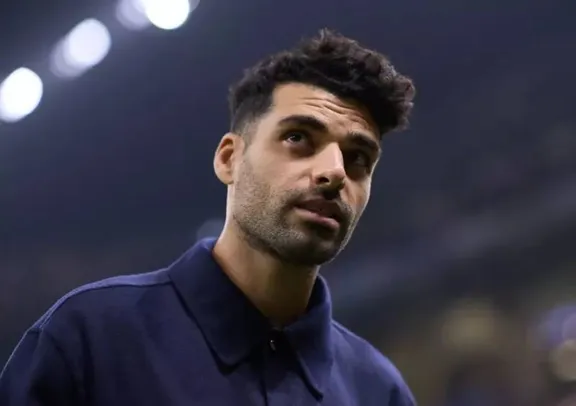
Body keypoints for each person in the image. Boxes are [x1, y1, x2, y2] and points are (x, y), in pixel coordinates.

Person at [0, 29, 416, 405]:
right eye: (298, 138)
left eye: (357, 158)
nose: (334, 172)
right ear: (229, 159)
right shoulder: (89, 338)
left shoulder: (380, 391)